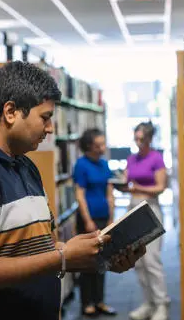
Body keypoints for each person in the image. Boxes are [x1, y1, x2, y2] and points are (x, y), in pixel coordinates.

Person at [0, 61, 146, 320]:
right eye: (44, 117)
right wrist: (63, 257)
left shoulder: (25, 166)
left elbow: (35, 251)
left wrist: (89, 255)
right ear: (10, 111)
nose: (50, 128)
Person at [124, 121, 169, 320]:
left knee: (152, 260)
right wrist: (121, 184)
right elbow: (126, 180)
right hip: (132, 208)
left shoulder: (156, 158)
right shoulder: (131, 158)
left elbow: (161, 187)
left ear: (150, 139)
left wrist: (138, 189)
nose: (138, 142)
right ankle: (148, 303)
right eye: (136, 137)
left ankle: (161, 304)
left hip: (150, 208)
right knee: (139, 261)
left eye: (142, 138)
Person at [73, 128, 117, 317]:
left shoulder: (104, 164)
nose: (102, 147)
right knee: (87, 261)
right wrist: (88, 220)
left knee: (102, 260)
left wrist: (111, 217)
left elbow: (109, 192)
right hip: (88, 220)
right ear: (89, 146)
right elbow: (80, 195)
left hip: (104, 218)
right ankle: (87, 302)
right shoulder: (81, 165)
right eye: (98, 145)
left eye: (103, 143)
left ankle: (100, 301)